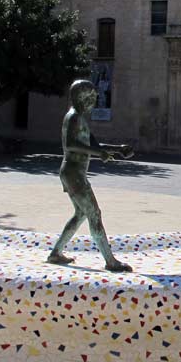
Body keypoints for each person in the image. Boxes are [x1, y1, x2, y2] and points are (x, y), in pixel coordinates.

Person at [46, 79, 134, 271]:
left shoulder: (81, 119)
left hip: (75, 173)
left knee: (80, 214)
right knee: (94, 213)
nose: (95, 100)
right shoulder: (73, 117)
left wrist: (118, 149)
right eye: (92, 96)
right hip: (72, 172)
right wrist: (99, 153)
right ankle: (110, 261)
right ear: (82, 97)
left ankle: (55, 253)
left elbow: (94, 146)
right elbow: (70, 144)